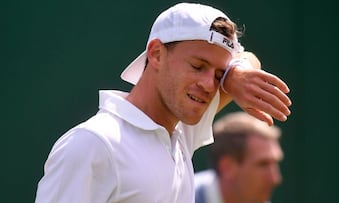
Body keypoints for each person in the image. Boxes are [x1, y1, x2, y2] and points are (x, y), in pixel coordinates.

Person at [35, 2, 291, 203]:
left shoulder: (179, 134)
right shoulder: (93, 143)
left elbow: (250, 59)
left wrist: (234, 74)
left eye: (217, 74)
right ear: (156, 54)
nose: (209, 85)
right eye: (197, 66)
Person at [194, 111, 283, 203]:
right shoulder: (180, 197)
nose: (275, 179)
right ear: (227, 167)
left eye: (274, 163)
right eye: (263, 164)